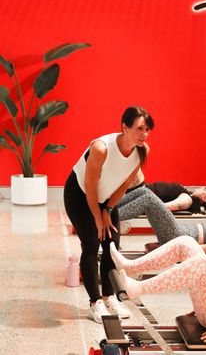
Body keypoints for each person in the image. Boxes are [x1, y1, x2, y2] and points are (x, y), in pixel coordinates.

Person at [63, 105, 155, 323]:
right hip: (79, 194)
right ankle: (94, 304)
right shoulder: (101, 148)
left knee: (112, 245)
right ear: (124, 127)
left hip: (106, 199)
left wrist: (108, 211)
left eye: (148, 129)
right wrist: (97, 217)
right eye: (140, 128)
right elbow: (90, 187)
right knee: (92, 243)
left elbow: (124, 184)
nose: (145, 134)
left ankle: (108, 297)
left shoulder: (142, 150)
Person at [120, 174, 206, 213]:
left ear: (205, 198)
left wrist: (143, 208)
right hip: (142, 190)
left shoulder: (187, 200)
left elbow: (163, 207)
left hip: (141, 193)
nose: (202, 187)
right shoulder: (188, 195)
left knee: (130, 163)